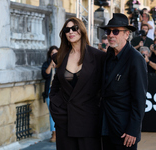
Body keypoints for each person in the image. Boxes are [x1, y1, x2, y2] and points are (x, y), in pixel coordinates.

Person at [49, 17, 106, 150]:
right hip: (65, 121)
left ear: (82, 30)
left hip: (88, 120)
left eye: (74, 28)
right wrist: (56, 109)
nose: (71, 32)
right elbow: (56, 86)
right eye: (67, 30)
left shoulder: (98, 56)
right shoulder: (60, 57)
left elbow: (104, 87)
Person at [99, 13, 148, 150]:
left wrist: (133, 129)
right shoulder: (108, 54)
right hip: (105, 125)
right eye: (108, 31)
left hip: (125, 130)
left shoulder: (135, 59)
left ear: (127, 34)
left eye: (116, 31)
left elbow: (139, 98)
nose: (111, 35)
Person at [41, 46, 58, 142]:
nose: (54, 54)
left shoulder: (62, 63)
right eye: (53, 53)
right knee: (52, 113)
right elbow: (45, 75)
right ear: (50, 54)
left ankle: (59, 132)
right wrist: (51, 65)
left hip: (60, 92)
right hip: (49, 91)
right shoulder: (46, 64)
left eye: (56, 53)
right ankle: (54, 134)